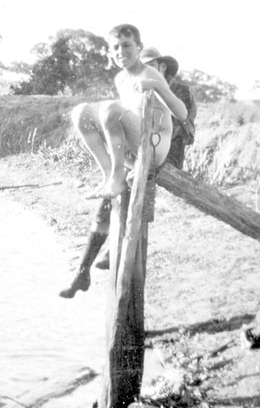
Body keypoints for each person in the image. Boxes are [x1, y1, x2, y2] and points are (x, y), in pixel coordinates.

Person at [60, 37, 196, 299]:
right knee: (111, 195)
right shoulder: (136, 84)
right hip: (141, 150)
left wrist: (149, 125)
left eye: (151, 65)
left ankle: (105, 258)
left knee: (127, 195)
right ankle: (83, 270)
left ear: (163, 67)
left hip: (167, 155)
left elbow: (184, 127)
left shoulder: (179, 90)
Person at [71, 23, 188, 201]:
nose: (120, 51)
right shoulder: (120, 79)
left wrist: (156, 86)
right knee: (80, 113)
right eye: (115, 47)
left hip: (154, 148)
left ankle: (117, 178)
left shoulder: (151, 74)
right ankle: (109, 175)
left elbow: (182, 114)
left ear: (139, 47)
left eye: (126, 45)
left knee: (111, 108)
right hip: (134, 149)